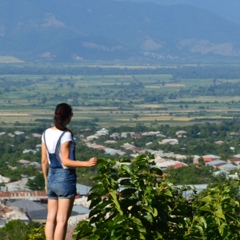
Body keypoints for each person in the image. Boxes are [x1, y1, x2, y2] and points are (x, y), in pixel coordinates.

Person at [41, 103, 97, 240]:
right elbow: (65, 161)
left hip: (51, 177)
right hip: (65, 177)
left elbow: (44, 160)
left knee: (50, 218)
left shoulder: (46, 133)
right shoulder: (65, 135)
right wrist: (87, 164)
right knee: (62, 220)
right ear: (69, 117)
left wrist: (45, 181)